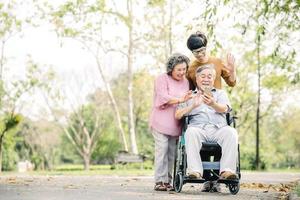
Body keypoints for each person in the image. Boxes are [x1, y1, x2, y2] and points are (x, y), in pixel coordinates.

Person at [175, 65, 238, 190]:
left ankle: (227, 171)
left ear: (214, 79)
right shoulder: (189, 95)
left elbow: (226, 109)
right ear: (197, 79)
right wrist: (192, 106)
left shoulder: (220, 93)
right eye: (203, 76)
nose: (206, 79)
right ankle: (195, 171)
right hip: (198, 129)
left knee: (231, 132)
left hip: (218, 128)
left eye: (210, 76)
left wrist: (213, 104)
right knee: (190, 132)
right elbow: (177, 115)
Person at [149, 53, 192, 191]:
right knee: (162, 150)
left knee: (172, 153)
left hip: (175, 123)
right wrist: (180, 100)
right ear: (171, 69)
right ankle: (159, 181)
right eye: (179, 69)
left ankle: (168, 181)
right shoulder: (162, 78)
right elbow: (163, 97)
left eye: (184, 69)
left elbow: (187, 99)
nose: (182, 72)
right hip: (160, 122)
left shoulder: (186, 82)